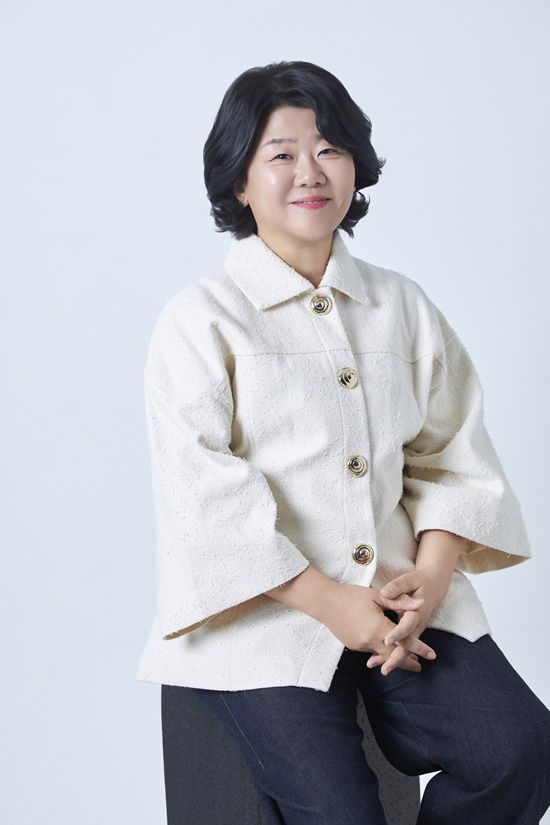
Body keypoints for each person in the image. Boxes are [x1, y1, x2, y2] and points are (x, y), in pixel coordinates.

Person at [136, 60, 550, 824]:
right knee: (341, 812)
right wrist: (330, 603)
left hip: (400, 601)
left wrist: (430, 579)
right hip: (261, 614)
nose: (310, 171)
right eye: (281, 153)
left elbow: (452, 455)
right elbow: (205, 494)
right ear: (239, 181)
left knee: (519, 748)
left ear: (355, 164)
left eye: (329, 148)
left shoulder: (402, 305)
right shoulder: (201, 318)